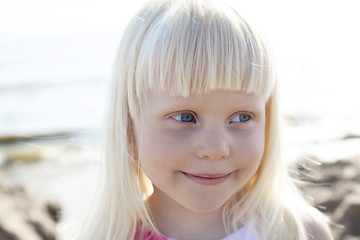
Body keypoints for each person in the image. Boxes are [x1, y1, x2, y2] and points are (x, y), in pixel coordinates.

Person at [80, 0, 333, 239]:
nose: (215, 150)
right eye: (185, 117)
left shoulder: (299, 232)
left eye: (242, 117)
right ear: (129, 120)